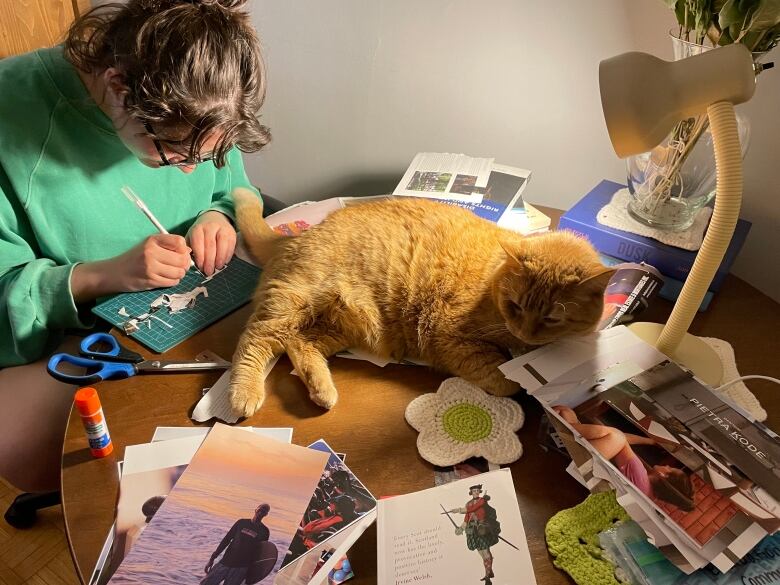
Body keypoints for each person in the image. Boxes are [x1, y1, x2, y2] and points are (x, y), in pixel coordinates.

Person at [0, 0, 269, 515]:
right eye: (172, 154)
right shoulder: (12, 120)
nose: (191, 172)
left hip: (182, 309)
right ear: (120, 89)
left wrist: (219, 217)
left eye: (207, 156)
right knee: (60, 457)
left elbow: (230, 187)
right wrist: (102, 275)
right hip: (59, 338)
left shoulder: (198, 101)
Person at [553, 405, 694, 511]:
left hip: (583, 470)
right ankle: (571, 426)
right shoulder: (648, 494)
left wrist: (650, 441)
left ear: (664, 474)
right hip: (590, 478)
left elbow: (620, 438)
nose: (667, 466)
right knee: (572, 415)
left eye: (670, 468)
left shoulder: (640, 476)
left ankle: (567, 428)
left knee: (615, 437)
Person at [203, 503, 271, 585]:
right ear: (256, 509)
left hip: (240, 568)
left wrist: (251, 575)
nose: (261, 512)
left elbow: (260, 554)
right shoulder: (241, 523)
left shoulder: (264, 531)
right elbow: (226, 540)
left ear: (266, 514)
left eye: (264, 511)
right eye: (260, 509)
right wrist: (212, 558)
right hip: (225, 562)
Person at [448, 485, 501, 585]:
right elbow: (466, 519)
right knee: (481, 553)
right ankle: (489, 570)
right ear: (471, 492)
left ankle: (487, 577)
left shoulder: (482, 500)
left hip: (481, 529)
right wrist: (461, 528)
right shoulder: (468, 504)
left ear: (479, 492)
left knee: (485, 552)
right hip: (472, 530)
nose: (476, 492)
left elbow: (473, 509)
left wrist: (459, 510)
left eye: (477, 490)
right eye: (474, 491)